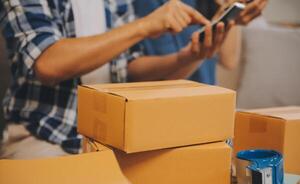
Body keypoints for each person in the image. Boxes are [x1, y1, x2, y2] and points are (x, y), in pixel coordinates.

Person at [0, 0, 231, 159]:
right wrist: (143, 26)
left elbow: (128, 71)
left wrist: (187, 57)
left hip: (109, 140)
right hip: (43, 135)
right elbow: (48, 62)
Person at [133, 0, 267, 84]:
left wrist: (233, 15)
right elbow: (162, 78)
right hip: (172, 102)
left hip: (207, 94)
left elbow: (229, 61)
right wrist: (194, 54)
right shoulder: (148, 5)